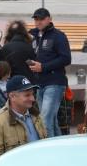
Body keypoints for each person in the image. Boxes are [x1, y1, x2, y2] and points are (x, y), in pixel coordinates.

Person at [0, 75, 47, 165]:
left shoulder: (36, 116)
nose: (32, 99)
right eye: (27, 95)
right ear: (12, 96)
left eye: (32, 94)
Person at [29, 8, 71, 138]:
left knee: (45, 119)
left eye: (41, 18)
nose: (38, 21)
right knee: (51, 120)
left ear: (49, 19)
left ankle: (48, 150)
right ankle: (58, 147)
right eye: (36, 19)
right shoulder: (34, 36)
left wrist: (44, 67)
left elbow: (66, 58)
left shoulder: (58, 36)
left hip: (54, 82)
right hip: (39, 83)